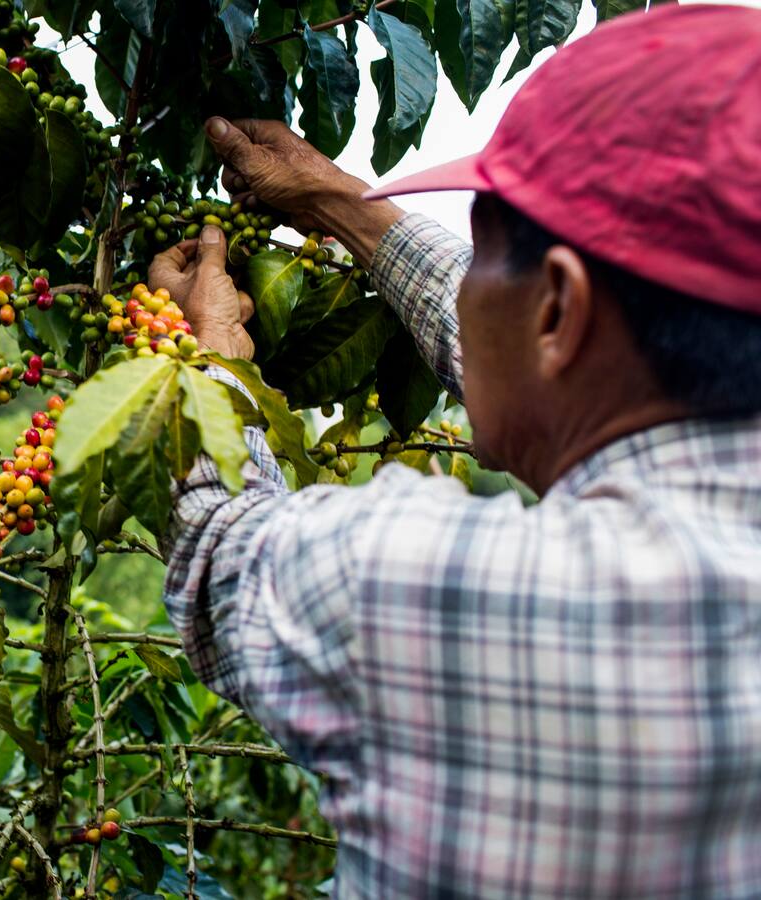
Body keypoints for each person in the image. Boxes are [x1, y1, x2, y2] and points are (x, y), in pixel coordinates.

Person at [150, 5, 761, 898]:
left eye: (484, 254)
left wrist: (207, 364)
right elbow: (548, 355)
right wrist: (339, 204)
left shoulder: (446, 594)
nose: (471, 286)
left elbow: (219, 554)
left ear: (558, 309)